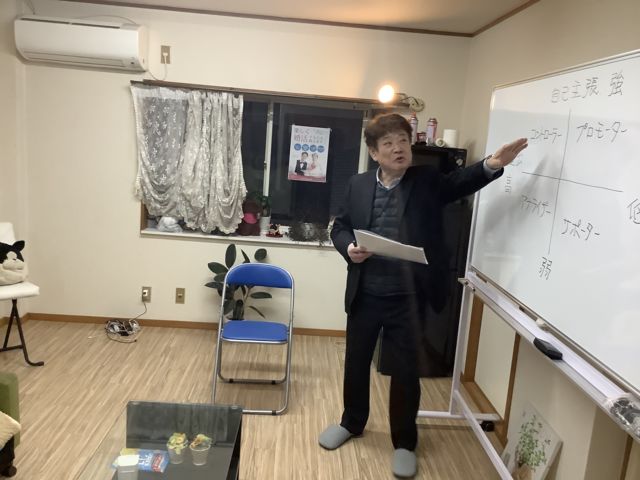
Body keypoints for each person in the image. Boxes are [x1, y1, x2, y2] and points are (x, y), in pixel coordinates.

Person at [319, 113, 527, 478]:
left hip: (409, 297)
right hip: (366, 293)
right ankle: (352, 422)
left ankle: (404, 442)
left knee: (405, 372)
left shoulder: (427, 180)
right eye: (388, 143)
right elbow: (341, 226)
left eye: (403, 140)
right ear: (374, 152)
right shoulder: (357, 184)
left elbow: (459, 183)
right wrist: (348, 247)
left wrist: (493, 164)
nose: (398, 148)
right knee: (356, 363)